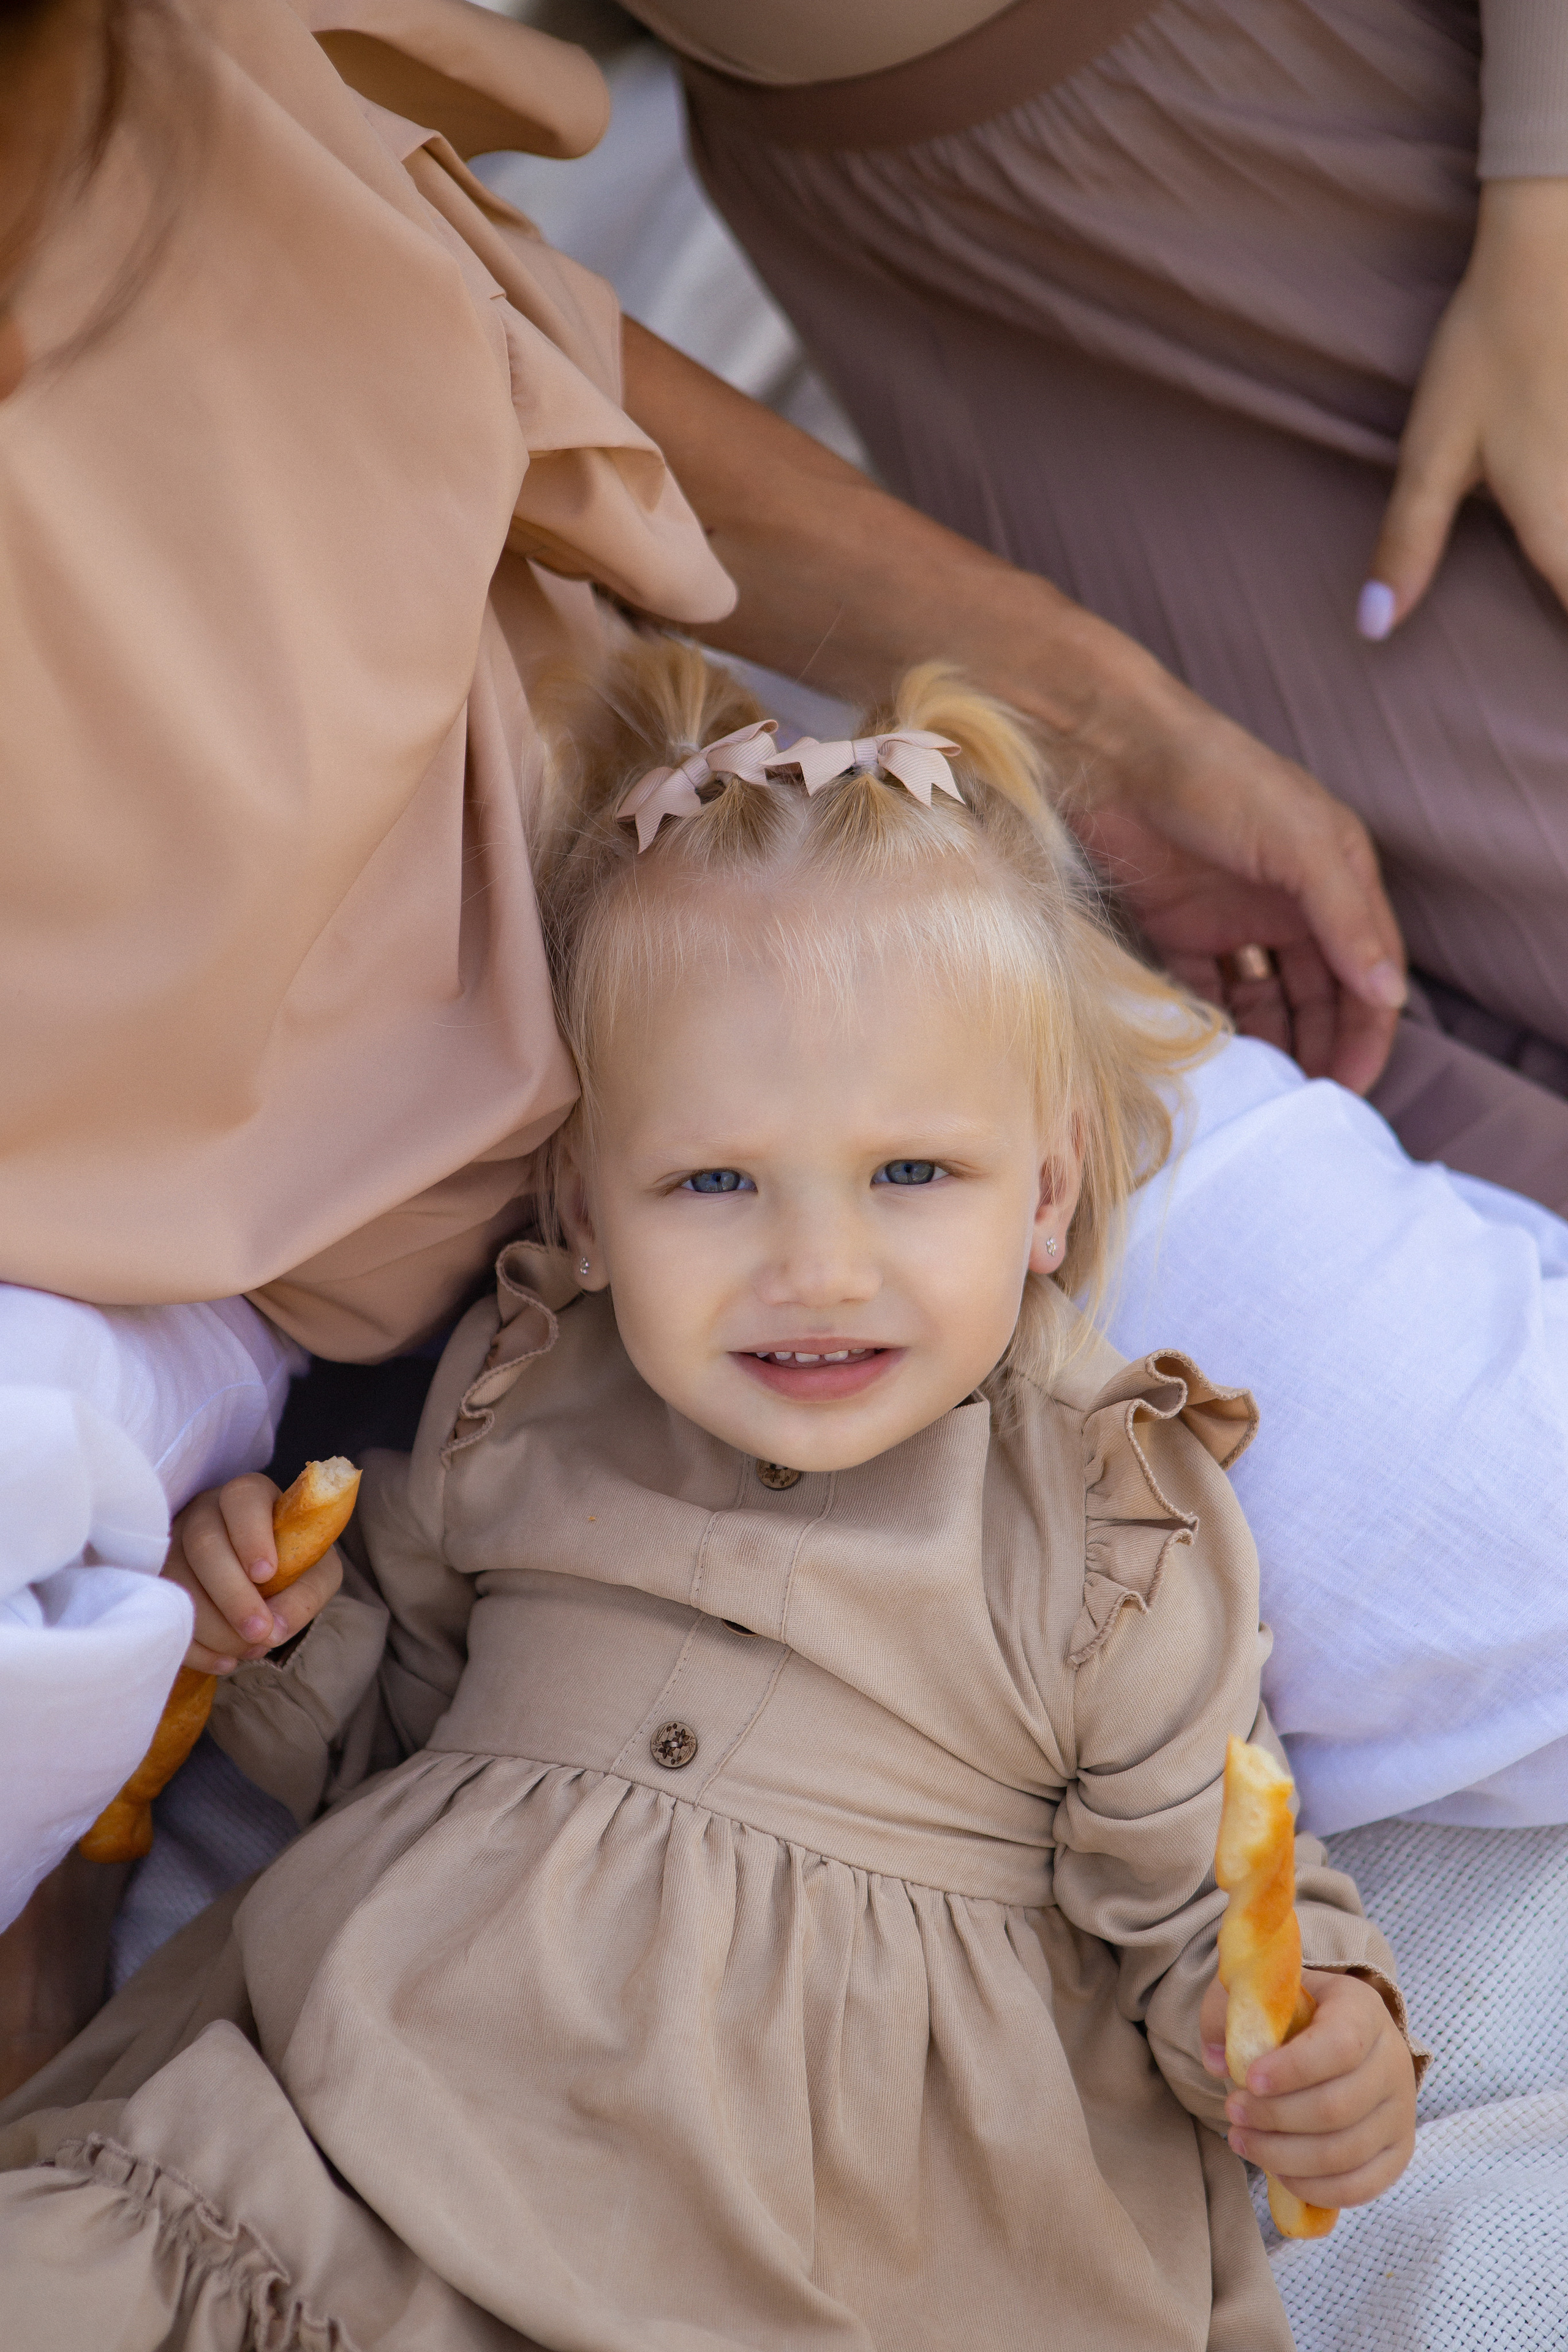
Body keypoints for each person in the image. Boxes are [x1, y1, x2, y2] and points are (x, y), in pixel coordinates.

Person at [0, 647, 1421, 2352]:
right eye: (713, 1183)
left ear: (1043, 1193)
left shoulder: (1104, 1526)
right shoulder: (523, 1403)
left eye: (912, 1174)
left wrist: (1318, 2031)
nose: (817, 1269)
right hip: (347, 2152)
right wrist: (267, 1619)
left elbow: (1209, 1891)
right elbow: (394, 1748)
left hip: (796, 2254)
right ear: (588, 1213)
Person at [620, 0, 1568, 1110]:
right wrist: (1087, 712)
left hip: (1401, 113)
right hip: (983, 287)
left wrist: (1545, 201)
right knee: (1364, 971)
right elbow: (436, 309)